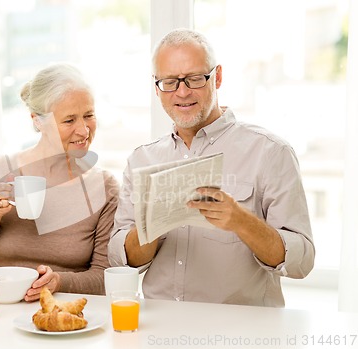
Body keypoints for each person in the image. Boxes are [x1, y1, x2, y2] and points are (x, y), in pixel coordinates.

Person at [108, 28, 315, 307]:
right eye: (169, 82)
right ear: (156, 87)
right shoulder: (141, 160)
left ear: (216, 77)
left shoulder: (270, 152)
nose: (182, 92)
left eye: (194, 79)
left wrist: (242, 221)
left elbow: (302, 262)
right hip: (157, 329)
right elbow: (121, 260)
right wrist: (152, 226)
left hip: (239, 332)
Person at [0, 63, 119, 301]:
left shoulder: (104, 187)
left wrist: (59, 282)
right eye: (69, 120)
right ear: (37, 121)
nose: (83, 130)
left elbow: (105, 278)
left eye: (89, 116)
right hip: (2, 314)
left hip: (68, 318)